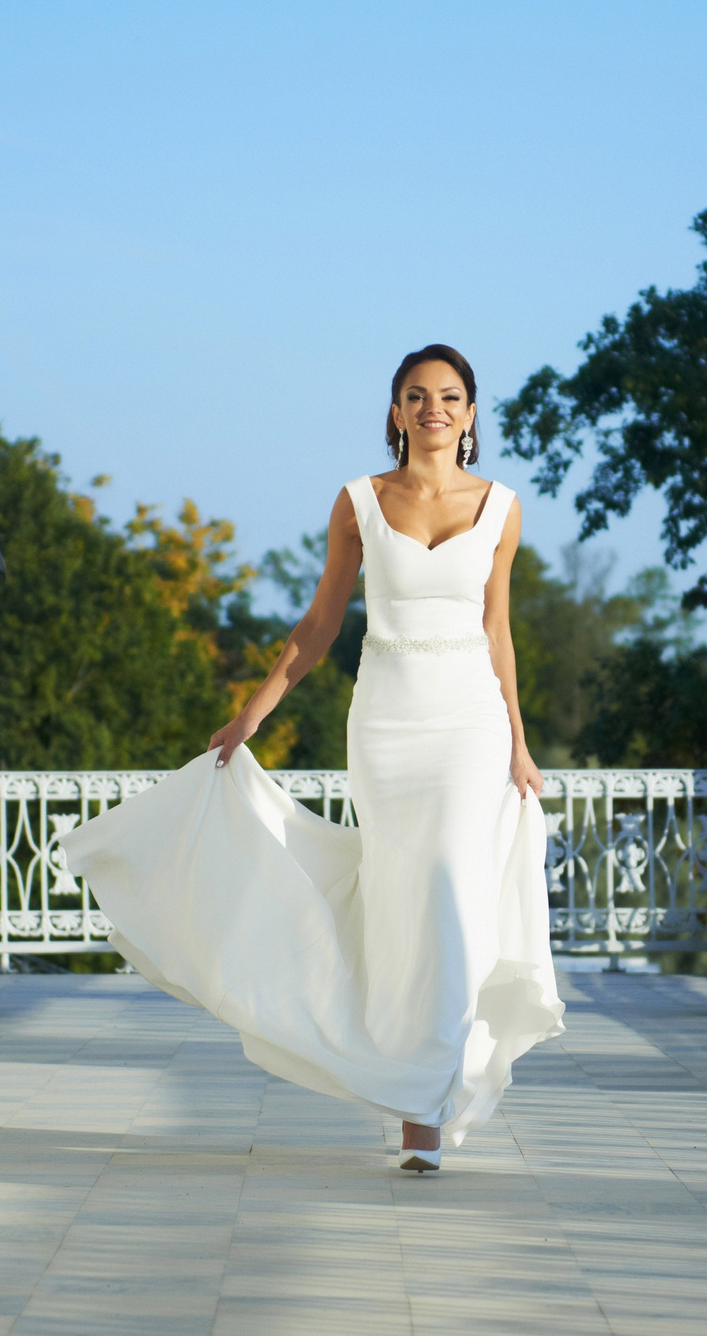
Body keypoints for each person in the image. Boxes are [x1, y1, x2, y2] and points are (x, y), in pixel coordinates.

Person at [59, 344, 564, 1174]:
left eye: (448, 396)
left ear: (471, 414)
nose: (432, 408)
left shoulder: (502, 507)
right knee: (404, 898)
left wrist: (518, 740)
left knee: (447, 889)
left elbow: (498, 633)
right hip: (388, 723)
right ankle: (413, 1088)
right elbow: (320, 625)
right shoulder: (359, 501)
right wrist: (249, 715)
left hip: (469, 723)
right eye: (416, 395)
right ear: (396, 410)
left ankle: (424, 1103)